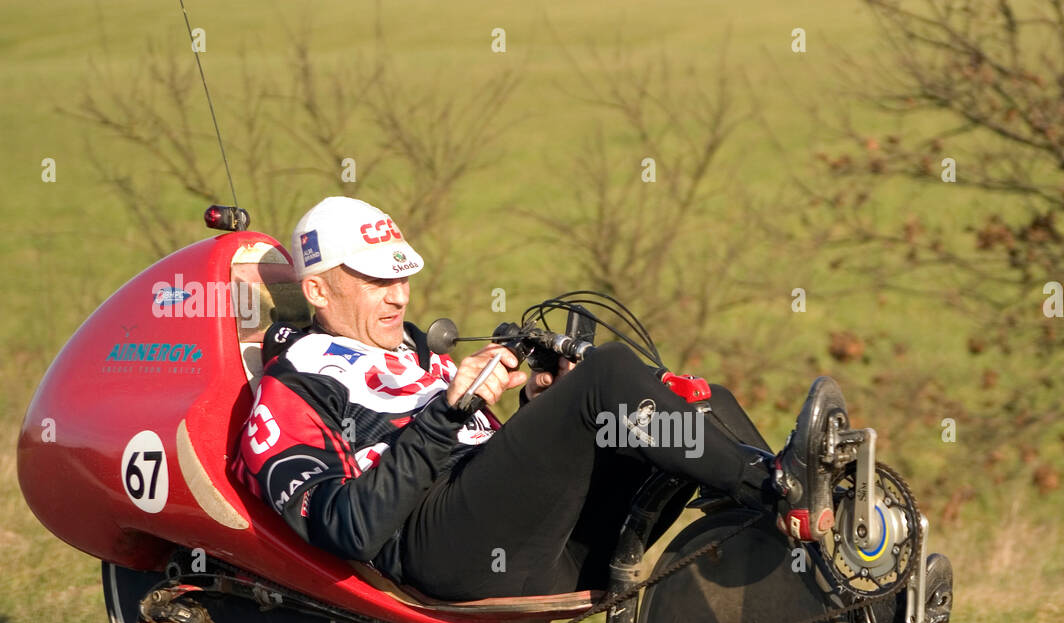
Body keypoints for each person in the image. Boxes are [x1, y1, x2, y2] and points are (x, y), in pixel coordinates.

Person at [233, 196, 843, 600]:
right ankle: (778, 485)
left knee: (694, 402)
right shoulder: (290, 390)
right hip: (441, 555)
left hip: (535, 548)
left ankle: (835, 574)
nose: (398, 297)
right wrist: (447, 413)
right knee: (607, 376)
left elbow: (498, 466)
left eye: (401, 277)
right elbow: (345, 529)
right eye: (374, 281)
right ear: (316, 287)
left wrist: (541, 406)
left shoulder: (415, 351)